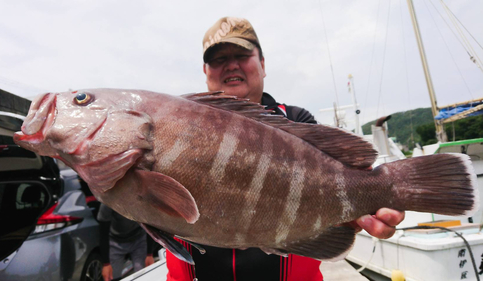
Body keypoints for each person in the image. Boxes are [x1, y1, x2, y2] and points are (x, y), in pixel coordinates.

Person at [165, 17, 405, 281]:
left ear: (263, 64)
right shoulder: (175, 129)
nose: (231, 64)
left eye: (242, 54)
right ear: (205, 70)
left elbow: (339, 188)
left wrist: (361, 206)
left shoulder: (296, 121)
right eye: (218, 59)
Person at [98, 203, 160, 281]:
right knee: (112, 276)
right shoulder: (107, 201)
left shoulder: (140, 197)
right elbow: (103, 232)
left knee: (143, 274)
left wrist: (149, 253)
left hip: (138, 239)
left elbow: (150, 223)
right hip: (116, 241)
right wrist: (106, 263)